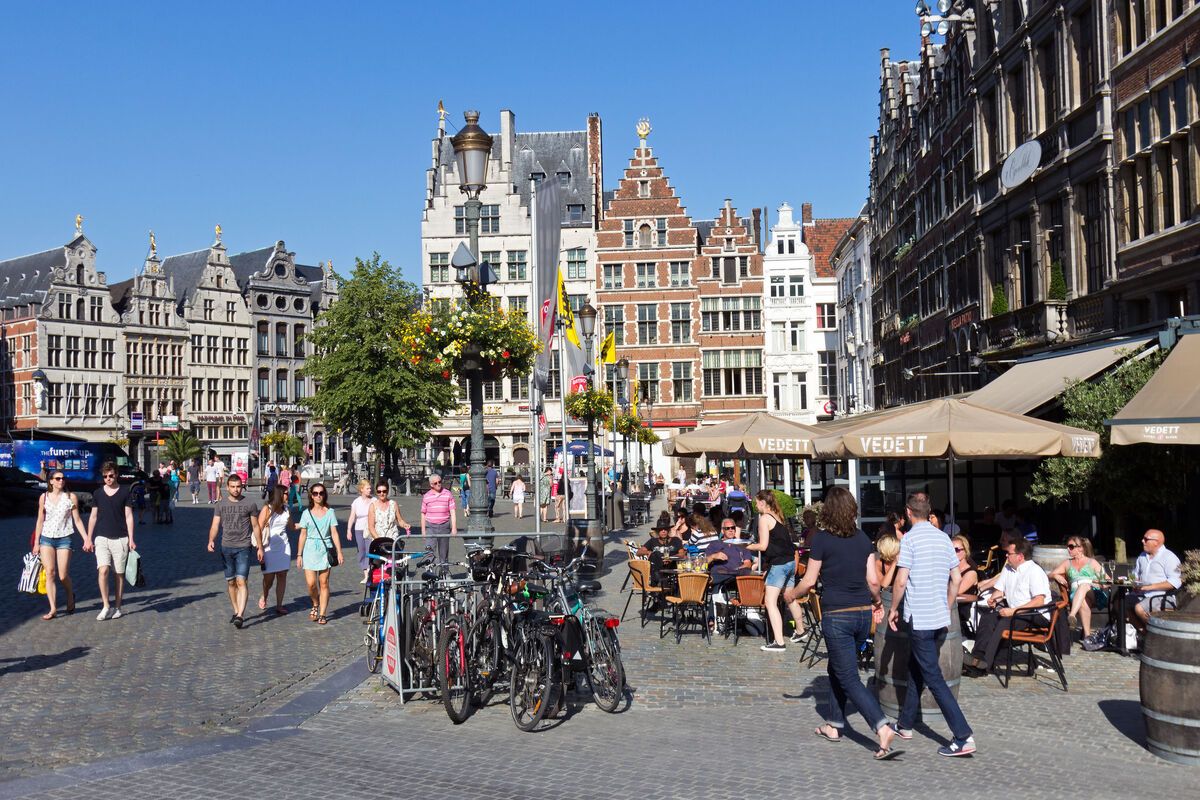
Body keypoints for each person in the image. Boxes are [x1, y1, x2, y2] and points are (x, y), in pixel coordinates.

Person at [786, 487, 895, 759]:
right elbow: (873, 581)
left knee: (848, 676)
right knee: (837, 667)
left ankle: (881, 726)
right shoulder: (863, 539)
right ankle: (834, 725)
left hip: (837, 614)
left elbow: (809, 580)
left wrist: (792, 594)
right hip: (862, 613)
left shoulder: (822, 539)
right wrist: (877, 603)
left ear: (828, 511)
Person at [886, 492, 976, 757]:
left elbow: (901, 580)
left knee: (933, 677)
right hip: (938, 619)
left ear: (908, 512)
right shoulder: (944, 539)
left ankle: (963, 736)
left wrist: (893, 609)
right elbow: (956, 579)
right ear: (929, 511)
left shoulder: (910, 540)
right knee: (916, 669)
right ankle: (905, 725)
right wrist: (946, 605)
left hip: (920, 619)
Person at [964, 538, 1051, 676]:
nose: (1006, 555)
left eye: (1009, 553)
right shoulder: (1008, 568)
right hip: (1015, 613)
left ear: (1020, 556)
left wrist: (1013, 611)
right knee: (987, 618)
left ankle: (985, 665)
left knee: (1004, 623)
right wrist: (994, 598)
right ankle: (976, 658)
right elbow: (1000, 590)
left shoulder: (1034, 571)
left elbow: (1039, 601)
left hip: (1035, 614)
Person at [745, 490, 806, 651]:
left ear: (763, 503)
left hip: (779, 564)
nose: (756, 505)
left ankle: (779, 642)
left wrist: (746, 546)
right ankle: (801, 630)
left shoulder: (764, 518)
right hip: (790, 561)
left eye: (756, 502)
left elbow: (763, 545)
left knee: (770, 602)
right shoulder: (778, 516)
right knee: (789, 597)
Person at [206, 474, 263, 629]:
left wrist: (260, 547)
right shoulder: (220, 505)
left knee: (241, 581)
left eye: (238, 486)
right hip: (226, 547)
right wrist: (211, 540)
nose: (236, 489)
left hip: (244, 547)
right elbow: (215, 525)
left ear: (242, 487)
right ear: (227, 487)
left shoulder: (250, 504)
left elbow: (256, 526)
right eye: (233, 486)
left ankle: (240, 615)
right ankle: (236, 610)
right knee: (231, 582)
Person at [85, 463, 136, 621]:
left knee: (119, 574)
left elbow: (129, 516)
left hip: (121, 538)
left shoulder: (125, 492)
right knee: (103, 570)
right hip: (101, 538)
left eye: (111, 475)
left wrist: (131, 538)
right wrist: (88, 538)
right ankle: (106, 605)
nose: (108, 478)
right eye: (105, 476)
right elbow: (93, 517)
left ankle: (118, 607)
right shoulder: (98, 493)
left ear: (117, 474)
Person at [33, 470, 86, 619]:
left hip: (64, 538)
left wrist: (86, 538)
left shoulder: (70, 497)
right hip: (46, 538)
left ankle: (70, 594)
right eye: (57, 478)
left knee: (62, 576)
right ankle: (53, 609)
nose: (61, 480)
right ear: (51, 481)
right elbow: (40, 520)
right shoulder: (43, 497)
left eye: (63, 478)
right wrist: (36, 542)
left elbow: (77, 520)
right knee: (50, 572)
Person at [296, 482, 341, 625]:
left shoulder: (330, 512)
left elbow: (334, 533)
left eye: (321, 493)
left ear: (324, 495)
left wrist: (339, 551)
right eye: (315, 493)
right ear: (311, 496)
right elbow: (303, 534)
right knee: (311, 584)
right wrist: (299, 555)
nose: (318, 496)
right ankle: (315, 603)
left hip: (325, 549)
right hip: (309, 549)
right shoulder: (306, 513)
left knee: (324, 583)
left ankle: (322, 613)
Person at [1047, 535, 1104, 639]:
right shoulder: (1067, 563)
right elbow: (1049, 575)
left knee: (1084, 585)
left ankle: (1072, 615)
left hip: (1094, 593)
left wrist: (1097, 582)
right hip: (1076, 596)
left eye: (1071, 547)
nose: (1068, 549)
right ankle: (1087, 637)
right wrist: (1055, 575)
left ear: (1080, 548)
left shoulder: (1092, 562)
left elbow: (1107, 580)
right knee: (1083, 601)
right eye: (1068, 547)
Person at [1128, 529, 1182, 635]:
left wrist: (1149, 587)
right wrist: (1134, 583)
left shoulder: (1169, 557)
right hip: (1141, 594)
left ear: (1156, 542)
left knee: (1139, 608)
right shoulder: (1142, 556)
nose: (1142, 541)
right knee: (1119, 603)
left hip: (1162, 596)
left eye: (1146, 539)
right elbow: (1135, 575)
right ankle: (1144, 633)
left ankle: (1157, 635)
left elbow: (1175, 582)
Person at [257, 487, 294, 615]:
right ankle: (264, 595)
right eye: (286, 493)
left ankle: (279, 605)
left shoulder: (287, 509)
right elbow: (258, 528)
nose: (288, 495)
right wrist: (259, 548)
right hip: (268, 547)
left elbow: (292, 526)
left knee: (282, 575)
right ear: (279, 495)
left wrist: (308, 523)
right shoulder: (267, 509)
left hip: (284, 546)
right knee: (269, 579)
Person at [705, 518, 753, 590]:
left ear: (735, 530)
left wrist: (738, 569)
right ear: (722, 531)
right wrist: (713, 556)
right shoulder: (714, 544)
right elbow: (703, 562)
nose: (731, 530)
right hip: (719, 574)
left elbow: (748, 563)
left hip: (736, 575)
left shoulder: (741, 545)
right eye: (727, 528)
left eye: (732, 528)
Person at [420, 473, 456, 564]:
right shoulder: (426, 496)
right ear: (431, 484)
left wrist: (454, 528)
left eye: (439, 482)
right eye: (435, 483)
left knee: (444, 554)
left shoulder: (448, 494)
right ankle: (429, 570)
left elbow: (452, 512)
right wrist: (423, 531)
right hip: (430, 527)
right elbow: (423, 514)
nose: (438, 484)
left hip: (444, 526)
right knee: (429, 552)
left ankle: (444, 570)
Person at [345, 479, 373, 584]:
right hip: (359, 529)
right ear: (362, 489)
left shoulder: (374, 500)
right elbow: (352, 517)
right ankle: (365, 573)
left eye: (370, 488)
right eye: (367, 488)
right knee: (361, 551)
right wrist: (349, 530)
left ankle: (369, 573)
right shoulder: (356, 502)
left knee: (369, 550)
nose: (370, 490)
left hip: (370, 529)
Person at [368, 480, 409, 547]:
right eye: (379, 491)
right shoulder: (373, 506)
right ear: (376, 492)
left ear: (387, 491)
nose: (381, 493)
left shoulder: (393, 504)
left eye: (384, 491)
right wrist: (379, 540)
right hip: (378, 540)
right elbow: (371, 527)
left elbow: (400, 520)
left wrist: (405, 525)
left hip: (393, 539)